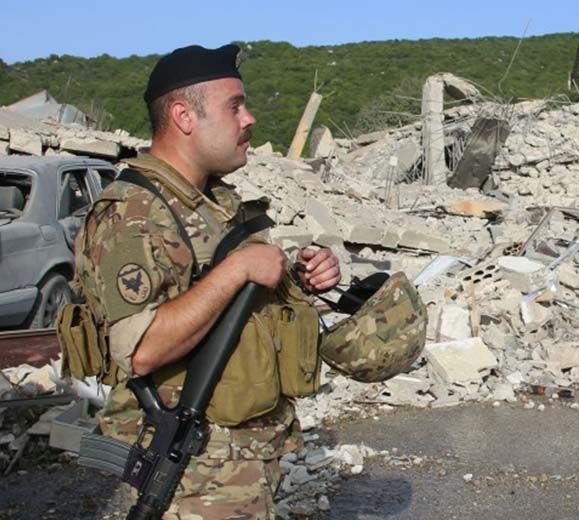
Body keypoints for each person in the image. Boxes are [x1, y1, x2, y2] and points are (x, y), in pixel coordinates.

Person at [65, 44, 426, 519]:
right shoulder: (132, 215)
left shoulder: (213, 203)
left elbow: (227, 302)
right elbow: (142, 347)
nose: (250, 118)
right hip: (191, 471)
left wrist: (300, 277)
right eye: (234, 106)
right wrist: (240, 269)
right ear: (183, 116)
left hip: (239, 459)